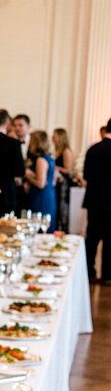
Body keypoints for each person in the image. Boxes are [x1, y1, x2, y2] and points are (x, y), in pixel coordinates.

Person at [83, 119, 111, 284]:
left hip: (94, 199)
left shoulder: (93, 149)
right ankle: (108, 275)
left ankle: (88, 271)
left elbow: (86, 175)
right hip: (110, 202)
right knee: (110, 239)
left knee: (92, 237)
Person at [25, 131, 57, 230]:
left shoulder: (40, 160)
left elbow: (41, 183)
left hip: (40, 197)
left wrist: (28, 175)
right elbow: (51, 179)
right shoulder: (49, 158)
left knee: (39, 226)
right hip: (49, 194)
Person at [52, 127, 75, 234]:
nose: (52, 137)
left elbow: (69, 170)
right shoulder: (58, 150)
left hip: (64, 184)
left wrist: (56, 168)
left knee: (63, 208)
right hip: (58, 183)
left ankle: (63, 230)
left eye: (54, 135)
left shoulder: (66, 151)